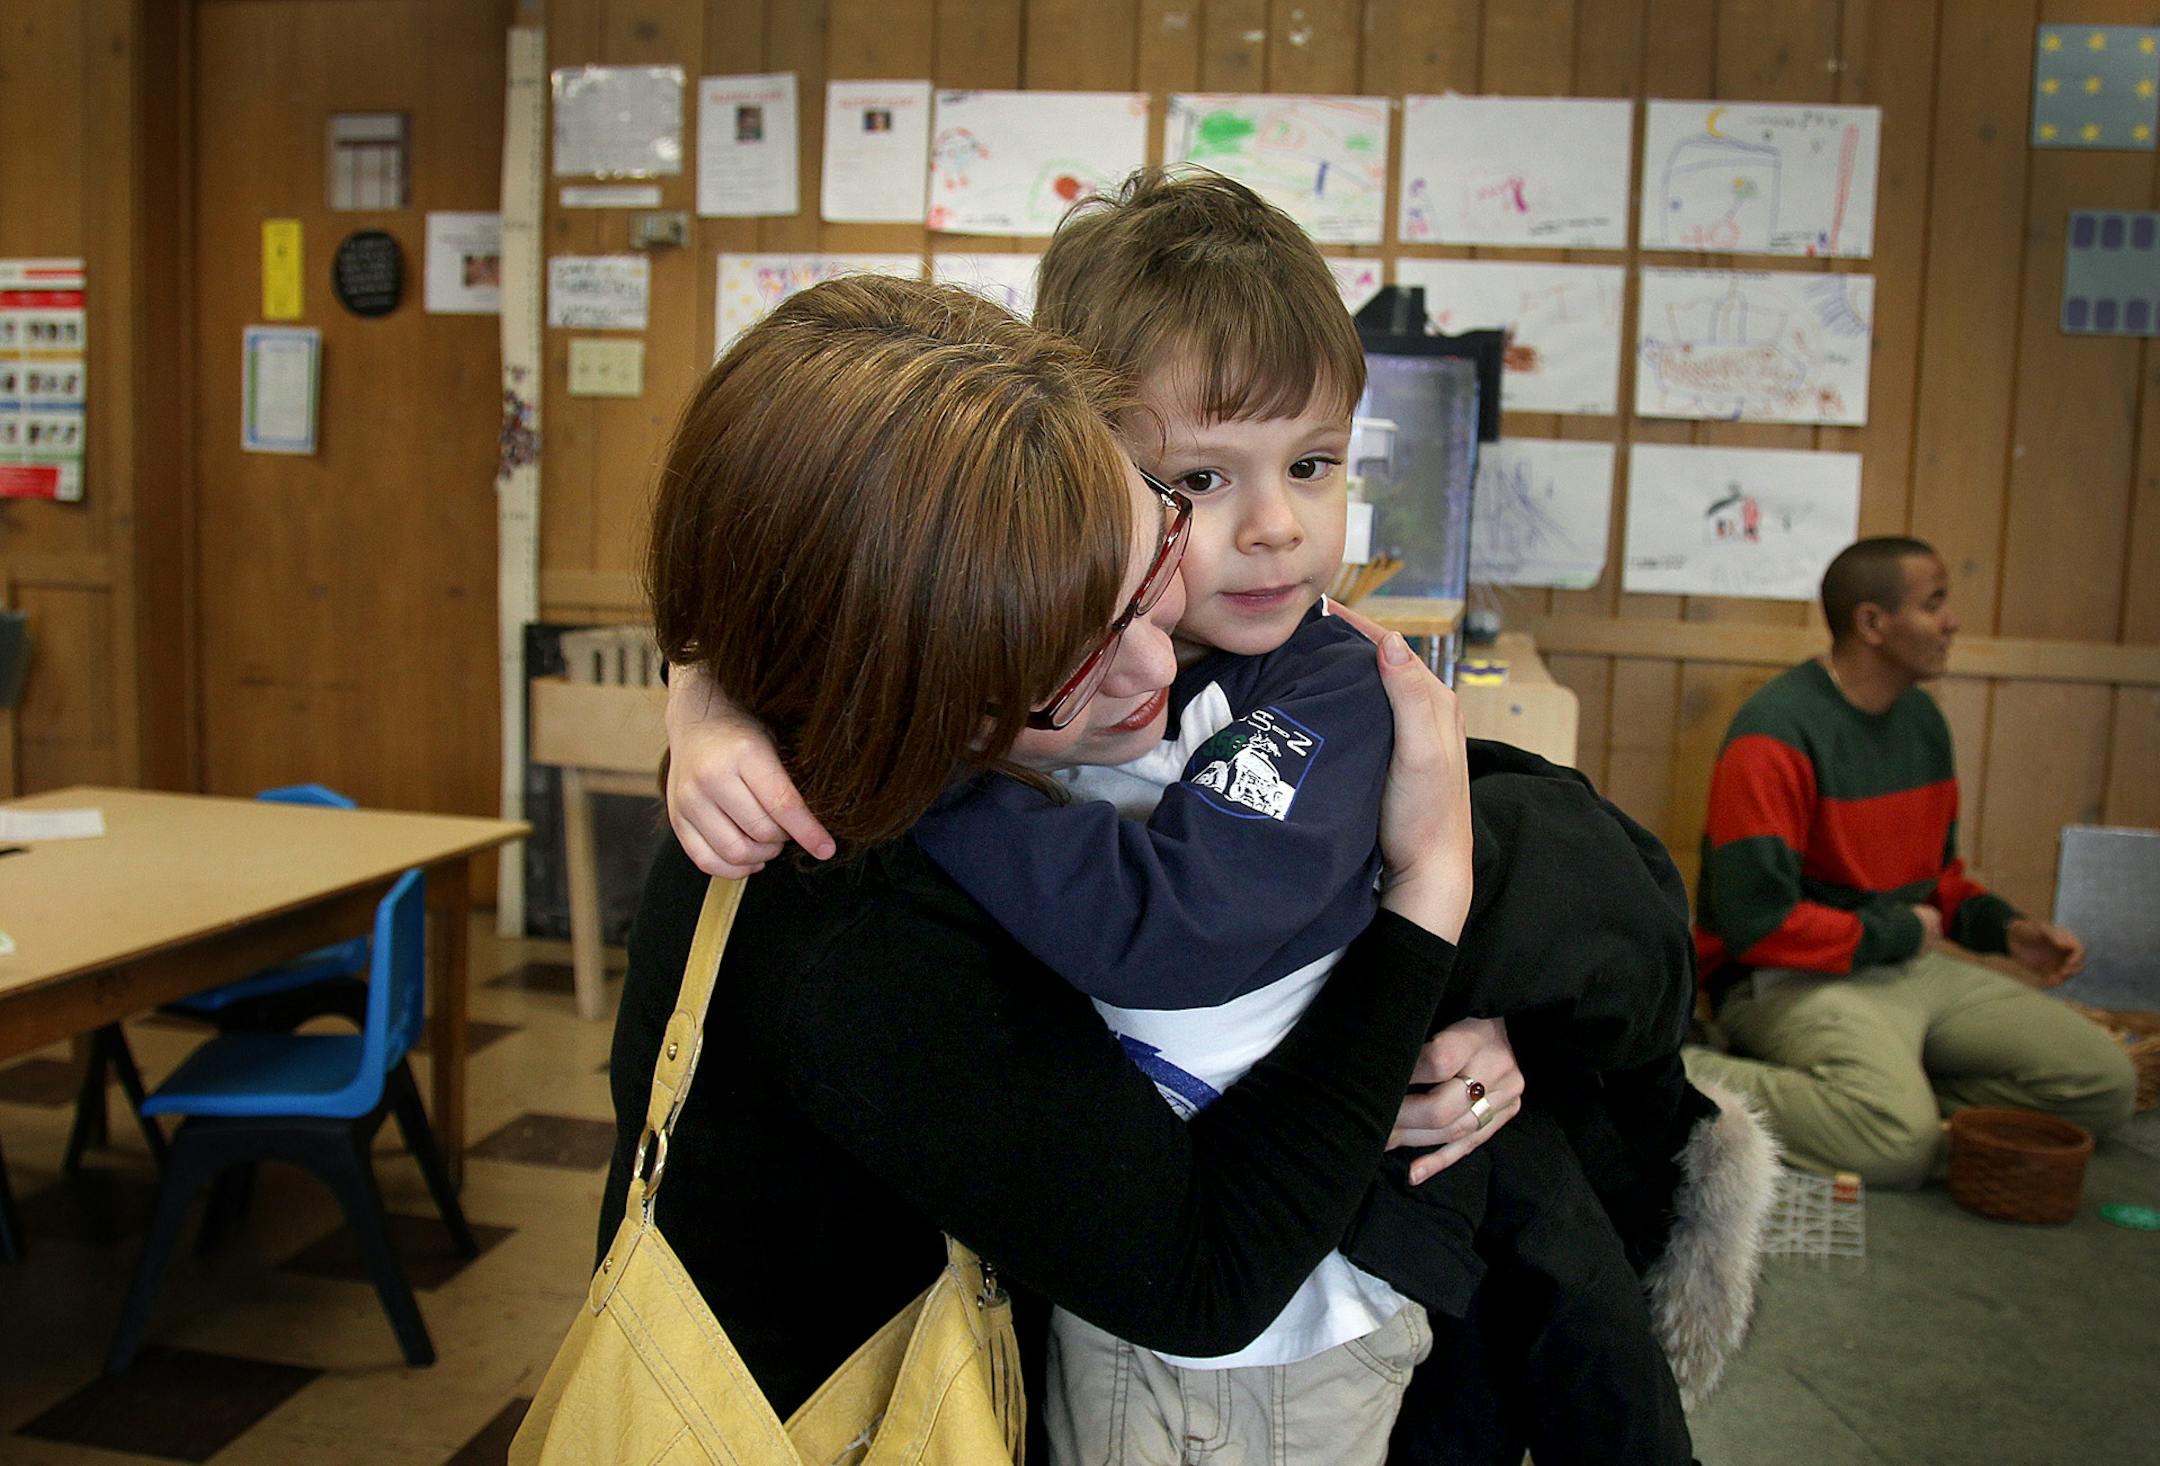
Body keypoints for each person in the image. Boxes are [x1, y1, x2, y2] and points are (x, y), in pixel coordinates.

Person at [663, 172, 1724, 1466]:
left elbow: (1210, 921)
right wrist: (716, 686)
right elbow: (838, 579)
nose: (1273, 527)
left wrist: (1449, 954)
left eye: (1315, 464)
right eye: (1199, 481)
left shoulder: (1328, 678)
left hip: (1292, 1305)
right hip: (1125, 1286)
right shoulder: (865, 856)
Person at [606, 272, 1485, 1465]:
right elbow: (1205, 1271)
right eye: (1064, 661)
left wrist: (706, 682)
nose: (1149, 675)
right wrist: (1427, 898)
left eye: (1145, 578)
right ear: (904, 684)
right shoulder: (846, 914)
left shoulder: (905, 705)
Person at [1686, 536, 2137, 1186]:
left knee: (2104, 1085)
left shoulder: (1922, 722)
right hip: (1787, 979)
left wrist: (2006, 931)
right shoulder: (1775, 732)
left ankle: (1893, 1110)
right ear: (1872, 623)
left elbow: (1938, 883)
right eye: (1935, 603)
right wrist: (1899, 931)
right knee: (1894, 1145)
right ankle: (1677, 1069)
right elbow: (1754, 922)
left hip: (1903, 965)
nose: (1952, 620)